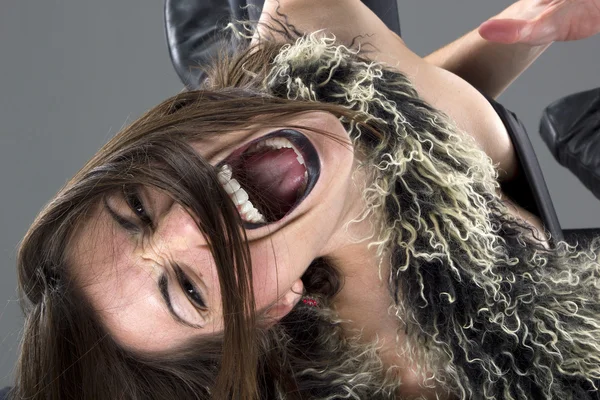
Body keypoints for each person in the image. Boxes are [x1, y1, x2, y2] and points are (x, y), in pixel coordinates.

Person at [7, 0, 600, 399]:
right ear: (270, 310)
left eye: (137, 208)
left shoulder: (308, 40)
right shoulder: (422, 375)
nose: (189, 223)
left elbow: (415, 114)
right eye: (187, 288)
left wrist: (536, 21)